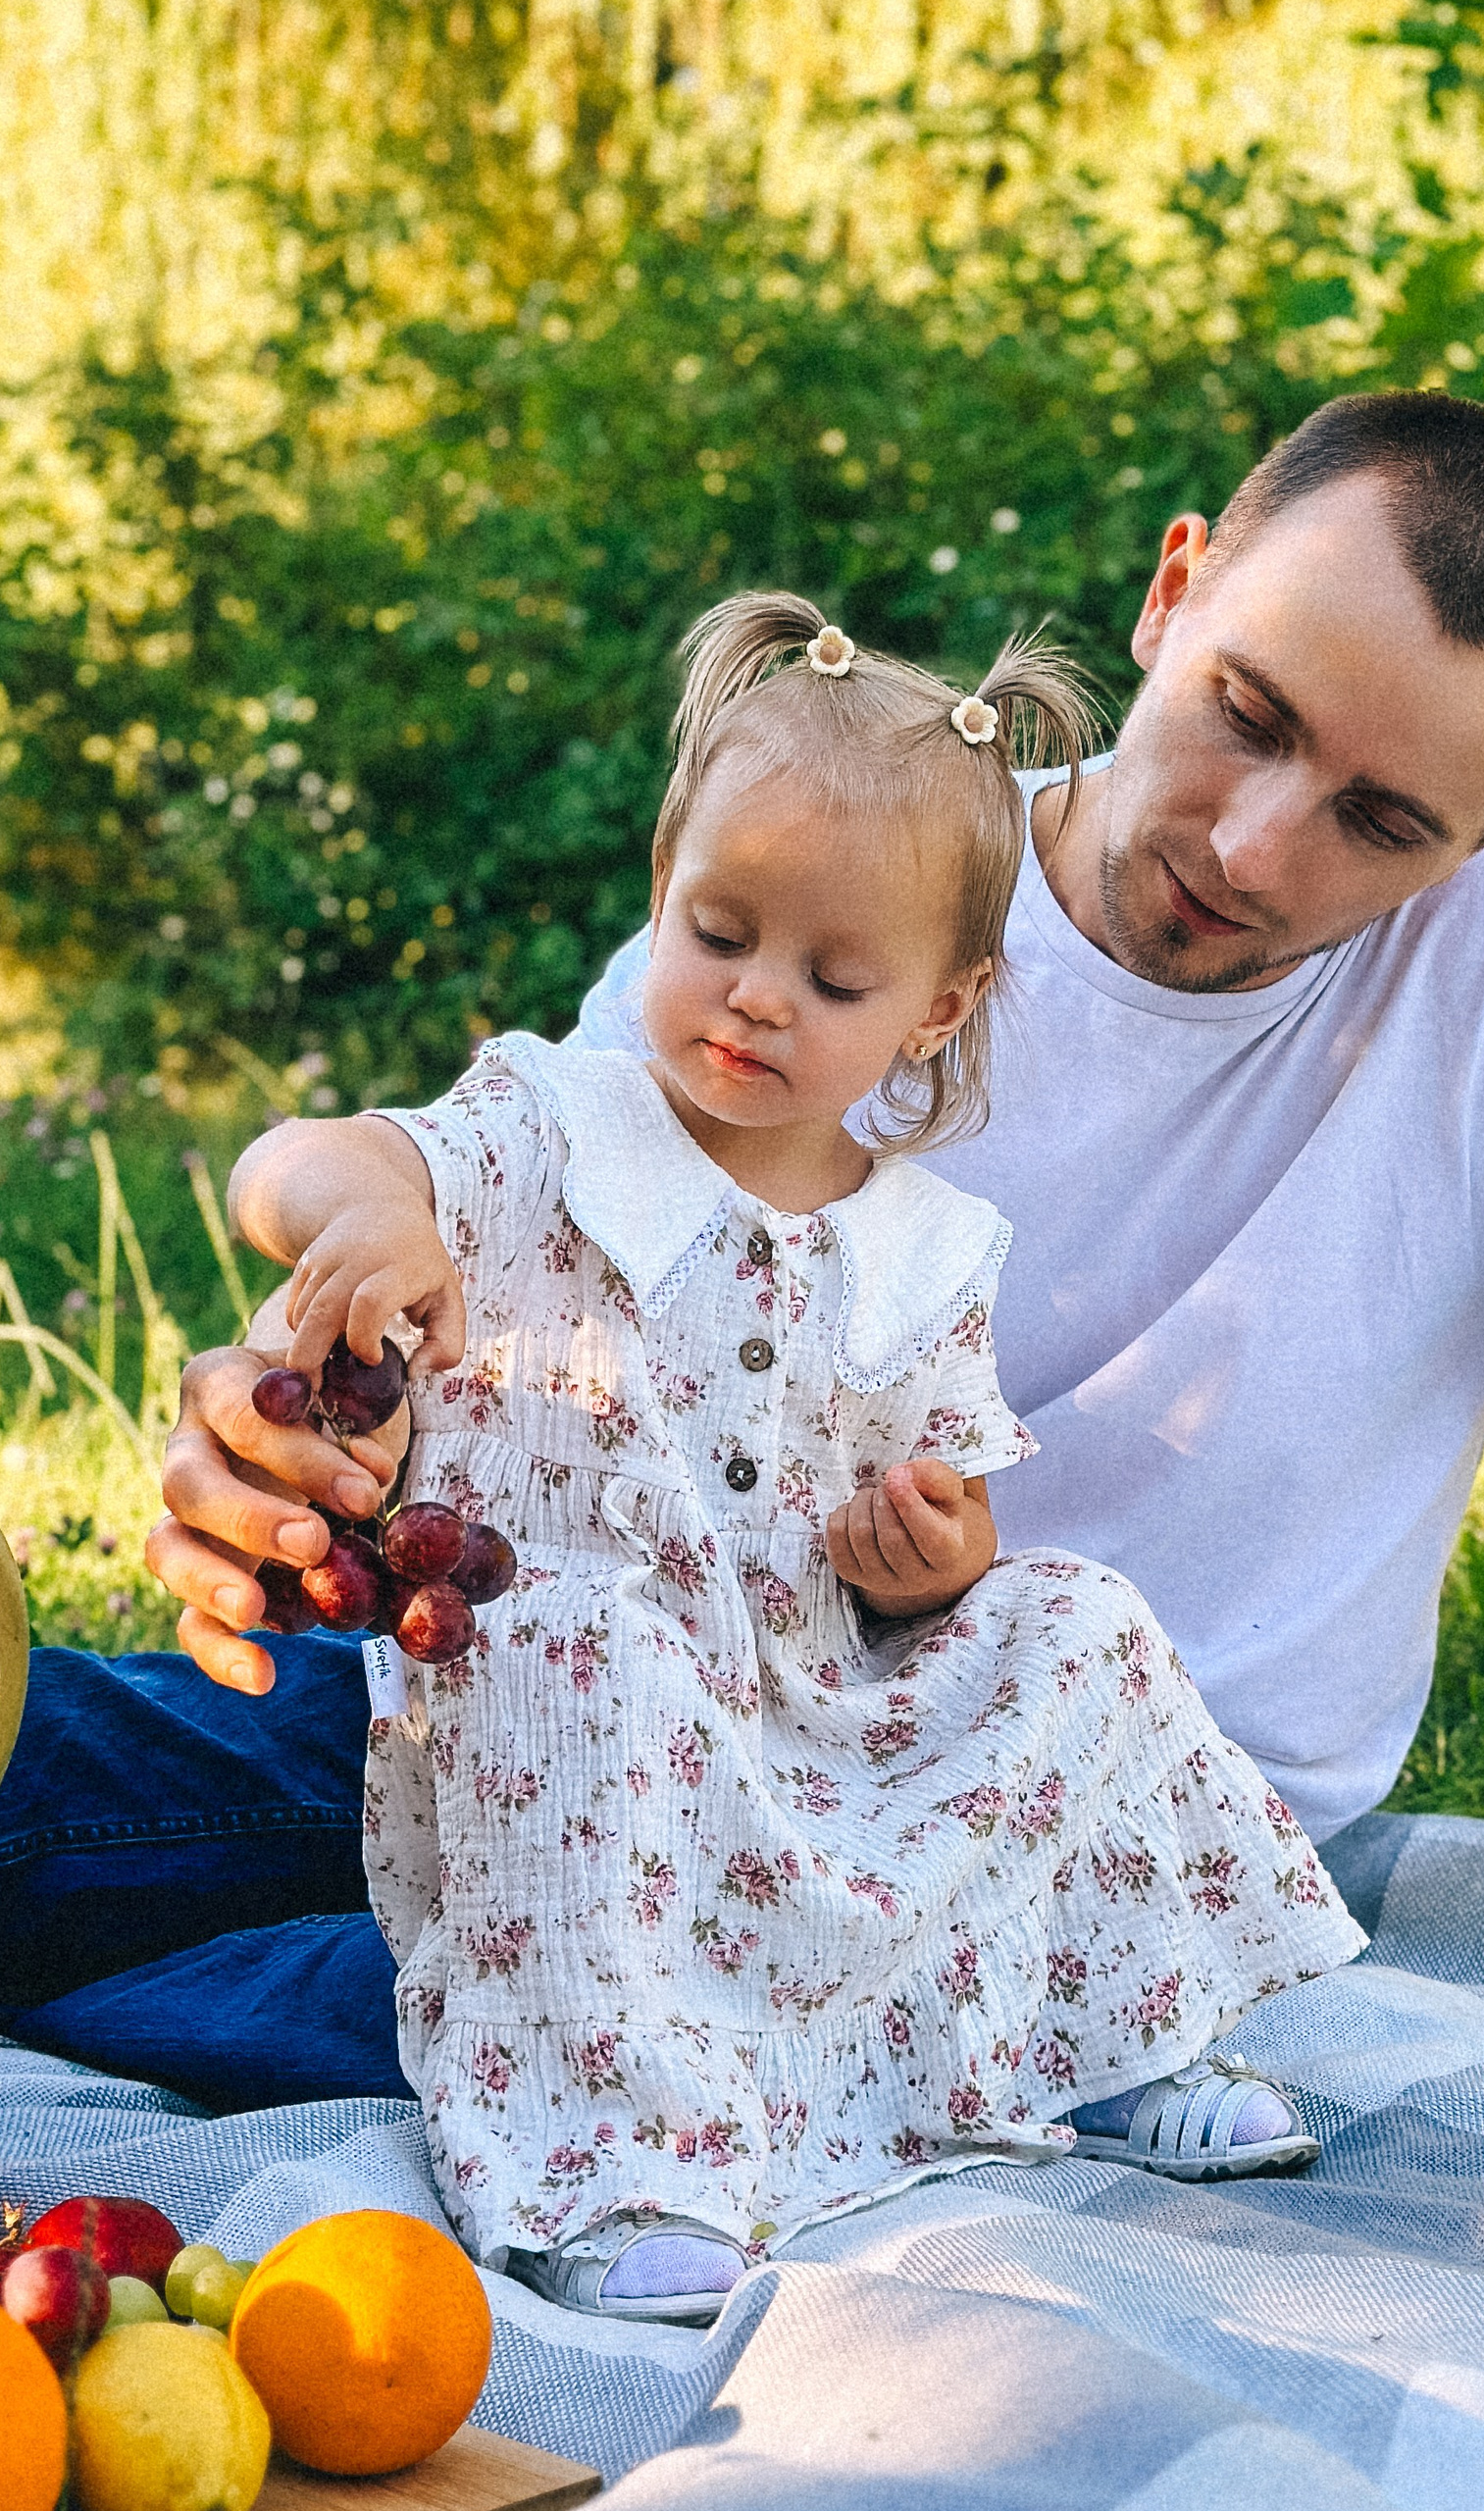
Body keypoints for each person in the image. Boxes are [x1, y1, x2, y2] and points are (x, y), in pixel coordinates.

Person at [0, 390, 1484, 2110]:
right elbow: (502, 1251)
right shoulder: (876, 878)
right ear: (1173, 590)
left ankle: (45, 2018)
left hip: (1052, 1833)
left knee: (474, 2009)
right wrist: (306, 1411)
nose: (1250, 844)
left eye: (1383, 819)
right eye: (1250, 712)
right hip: (643, 1688)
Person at [217, 595, 1364, 2321]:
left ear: (938, 1008)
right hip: (584, 1729)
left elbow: (945, 1511)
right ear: (663, 883)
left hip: (815, 1724)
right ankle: (616, 2157)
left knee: (1079, 1617)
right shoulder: (550, 1129)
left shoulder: (927, 1252)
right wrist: (370, 1211)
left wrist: (935, 1557)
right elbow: (295, 1159)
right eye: (719, 931)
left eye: (833, 980)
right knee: (589, 1642)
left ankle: (1109, 2037)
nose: (757, 998)